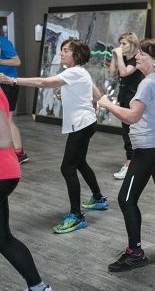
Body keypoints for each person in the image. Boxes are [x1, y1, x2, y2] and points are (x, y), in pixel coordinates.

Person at [98, 38, 155, 272]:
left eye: (142, 54)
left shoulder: (148, 83)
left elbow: (131, 117)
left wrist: (107, 104)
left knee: (126, 199)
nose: (137, 57)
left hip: (148, 148)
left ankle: (135, 253)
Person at [0, 39, 108, 234]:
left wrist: (12, 80)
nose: (61, 53)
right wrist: (76, 98)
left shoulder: (73, 72)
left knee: (67, 167)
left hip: (81, 126)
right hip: (87, 123)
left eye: (66, 50)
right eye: (62, 50)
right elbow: (97, 95)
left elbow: (43, 83)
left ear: (77, 55)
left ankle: (76, 216)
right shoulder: (82, 72)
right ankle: (98, 198)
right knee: (80, 163)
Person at [0, 88, 52, 291]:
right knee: (3, 239)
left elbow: (4, 140)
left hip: (2, 173)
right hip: (6, 172)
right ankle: (38, 287)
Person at [109, 32, 145, 180]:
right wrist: (114, 57)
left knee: (130, 133)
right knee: (126, 132)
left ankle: (130, 164)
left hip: (134, 100)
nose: (121, 46)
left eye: (124, 44)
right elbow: (112, 73)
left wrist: (119, 57)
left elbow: (123, 73)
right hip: (124, 97)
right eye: (120, 43)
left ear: (133, 44)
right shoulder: (123, 59)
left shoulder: (136, 60)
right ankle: (133, 162)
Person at [0, 29, 29, 163]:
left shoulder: (4, 43)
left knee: (8, 119)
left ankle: (20, 152)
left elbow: (16, 61)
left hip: (8, 85)